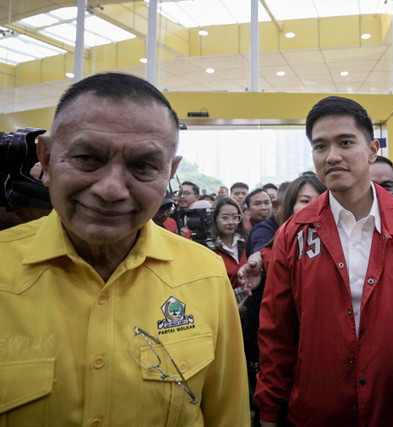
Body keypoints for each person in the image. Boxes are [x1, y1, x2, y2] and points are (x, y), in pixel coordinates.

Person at [0, 72, 250, 426]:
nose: (111, 189)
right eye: (87, 158)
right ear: (47, 157)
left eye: (143, 166)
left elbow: (228, 415)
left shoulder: (205, 275)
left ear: (169, 172)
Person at [255, 96, 393, 426]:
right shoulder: (294, 234)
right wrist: (269, 411)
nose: (333, 156)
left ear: (371, 150)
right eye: (320, 146)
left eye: (345, 142)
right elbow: (276, 334)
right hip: (317, 414)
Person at [237, 173, 327, 427]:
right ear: (290, 206)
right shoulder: (279, 242)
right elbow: (275, 332)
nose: (312, 206)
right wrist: (259, 258)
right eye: (304, 200)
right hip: (289, 366)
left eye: (319, 199)